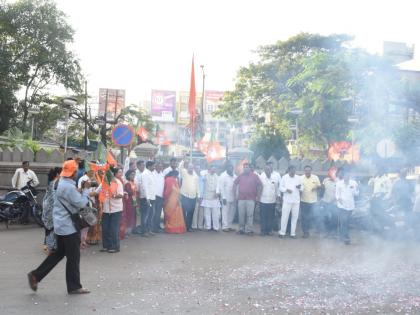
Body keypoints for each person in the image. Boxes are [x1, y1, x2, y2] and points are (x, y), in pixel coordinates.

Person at [28, 159, 90, 294]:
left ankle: (36, 275)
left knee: (58, 254)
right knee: (73, 258)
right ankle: (74, 286)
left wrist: (79, 189)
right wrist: (86, 190)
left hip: (60, 225)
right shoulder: (67, 186)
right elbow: (81, 203)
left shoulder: (59, 182)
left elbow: (69, 197)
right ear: (73, 172)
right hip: (69, 227)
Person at [233, 163, 262, 235]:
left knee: (250, 215)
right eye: (245, 167)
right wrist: (235, 195)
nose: (246, 168)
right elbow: (234, 184)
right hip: (241, 199)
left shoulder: (255, 176)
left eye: (247, 167)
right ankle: (241, 229)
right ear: (243, 168)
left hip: (251, 199)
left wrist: (258, 196)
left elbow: (260, 185)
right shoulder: (241, 175)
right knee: (241, 214)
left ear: (250, 168)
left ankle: (249, 230)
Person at [101, 168, 124, 253]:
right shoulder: (104, 183)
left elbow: (121, 195)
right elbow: (98, 191)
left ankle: (115, 247)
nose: (106, 175)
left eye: (108, 174)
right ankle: (106, 246)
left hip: (116, 209)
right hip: (106, 209)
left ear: (112, 174)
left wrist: (113, 195)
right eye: (105, 173)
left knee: (114, 229)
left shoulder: (117, 182)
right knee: (105, 228)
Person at [279, 165, 303, 239]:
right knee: (284, 217)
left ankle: (293, 233)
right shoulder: (284, 177)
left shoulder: (298, 178)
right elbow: (280, 187)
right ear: (289, 170)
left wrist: (300, 187)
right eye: (292, 170)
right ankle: (282, 232)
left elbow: (302, 187)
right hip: (287, 200)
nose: (293, 172)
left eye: (294, 170)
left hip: (296, 201)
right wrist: (286, 190)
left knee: (294, 218)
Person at [42, 167, 62, 254]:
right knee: (52, 228)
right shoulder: (55, 183)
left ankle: (48, 245)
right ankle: (51, 247)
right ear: (58, 174)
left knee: (49, 227)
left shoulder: (51, 182)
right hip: (51, 208)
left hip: (47, 207)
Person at [336, 170, 359, 245]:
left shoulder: (354, 183)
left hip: (350, 206)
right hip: (341, 206)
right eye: (345, 175)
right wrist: (338, 199)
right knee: (344, 221)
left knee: (346, 222)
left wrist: (357, 189)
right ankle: (346, 238)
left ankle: (342, 236)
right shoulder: (339, 183)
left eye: (348, 175)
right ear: (343, 176)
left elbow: (356, 194)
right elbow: (337, 194)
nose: (347, 177)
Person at [300, 165, 321, 238]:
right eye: (306, 170)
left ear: (311, 171)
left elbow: (319, 186)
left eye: (309, 170)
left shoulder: (315, 177)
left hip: (313, 201)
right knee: (304, 217)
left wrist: (316, 187)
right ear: (304, 171)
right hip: (303, 201)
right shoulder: (301, 178)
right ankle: (305, 232)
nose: (307, 172)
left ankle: (317, 230)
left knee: (314, 216)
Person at [258, 164, 280, 236]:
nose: (268, 171)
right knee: (263, 216)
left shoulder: (275, 178)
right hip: (263, 201)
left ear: (271, 170)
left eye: (269, 169)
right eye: (266, 170)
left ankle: (269, 230)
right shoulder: (261, 177)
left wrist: (278, 198)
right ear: (264, 170)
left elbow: (277, 189)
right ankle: (263, 231)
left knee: (271, 217)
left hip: (272, 201)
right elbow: (259, 188)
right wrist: (258, 198)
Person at [180, 163, 200, 231]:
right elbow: (180, 167)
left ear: (193, 169)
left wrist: (198, 195)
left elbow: (197, 186)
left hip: (193, 196)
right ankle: (184, 226)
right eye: (189, 168)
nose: (190, 169)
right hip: (185, 196)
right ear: (187, 168)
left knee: (191, 212)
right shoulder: (184, 173)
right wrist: (183, 160)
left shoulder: (195, 176)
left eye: (192, 168)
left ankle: (189, 227)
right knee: (183, 211)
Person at [217, 163, 236, 232]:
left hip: (233, 197)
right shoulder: (223, 176)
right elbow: (221, 187)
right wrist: (223, 197)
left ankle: (229, 226)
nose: (231, 169)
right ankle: (224, 227)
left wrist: (236, 196)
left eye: (232, 168)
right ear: (227, 168)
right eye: (229, 168)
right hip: (225, 198)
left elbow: (236, 186)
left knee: (232, 212)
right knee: (225, 212)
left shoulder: (234, 176)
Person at [201, 164, 221, 231]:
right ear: (209, 169)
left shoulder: (217, 176)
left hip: (214, 196)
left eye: (214, 169)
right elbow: (202, 177)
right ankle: (208, 227)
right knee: (207, 213)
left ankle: (216, 227)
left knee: (215, 213)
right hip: (207, 196)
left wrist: (217, 192)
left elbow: (218, 185)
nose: (213, 170)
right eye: (212, 169)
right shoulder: (205, 175)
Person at [139, 161, 156, 236]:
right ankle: (144, 231)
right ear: (149, 166)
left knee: (151, 215)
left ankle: (149, 230)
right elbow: (145, 186)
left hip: (152, 198)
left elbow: (152, 186)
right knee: (145, 215)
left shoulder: (151, 173)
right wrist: (147, 198)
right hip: (146, 198)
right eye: (153, 166)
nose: (154, 167)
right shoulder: (145, 174)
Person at [321, 169, 338, 236]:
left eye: (333, 174)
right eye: (330, 175)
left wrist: (335, 199)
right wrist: (321, 199)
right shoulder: (325, 180)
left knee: (334, 218)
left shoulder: (338, 181)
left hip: (334, 203)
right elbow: (322, 190)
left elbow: (339, 192)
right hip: (326, 202)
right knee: (326, 217)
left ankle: (333, 232)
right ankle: (327, 232)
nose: (332, 176)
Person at [122, 170, 137, 236]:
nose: (133, 176)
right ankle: (126, 231)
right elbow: (129, 192)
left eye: (134, 174)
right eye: (132, 174)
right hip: (128, 201)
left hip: (133, 200)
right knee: (129, 215)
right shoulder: (127, 183)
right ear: (128, 175)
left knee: (133, 215)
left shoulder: (133, 182)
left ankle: (131, 230)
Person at [152, 162, 165, 233]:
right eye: (159, 166)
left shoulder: (162, 175)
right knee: (153, 213)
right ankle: (151, 227)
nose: (160, 168)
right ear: (155, 167)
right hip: (154, 196)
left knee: (158, 213)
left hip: (161, 196)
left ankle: (156, 228)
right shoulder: (152, 174)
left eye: (161, 167)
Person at [134, 160, 145, 233]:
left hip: (143, 196)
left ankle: (141, 226)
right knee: (137, 212)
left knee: (142, 212)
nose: (143, 167)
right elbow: (136, 186)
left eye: (144, 165)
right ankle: (136, 227)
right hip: (136, 195)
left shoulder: (145, 173)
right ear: (137, 166)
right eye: (142, 165)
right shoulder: (135, 174)